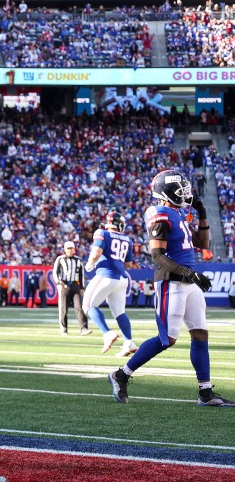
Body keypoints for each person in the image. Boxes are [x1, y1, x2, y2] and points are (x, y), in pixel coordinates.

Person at [110, 170, 233, 407]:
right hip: (171, 281)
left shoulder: (177, 212)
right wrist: (189, 272)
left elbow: (202, 243)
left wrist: (203, 214)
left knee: (200, 334)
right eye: (180, 190)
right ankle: (121, 375)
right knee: (167, 339)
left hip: (189, 281)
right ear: (165, 192)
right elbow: (157, 255)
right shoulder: (160, 213)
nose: (186, 194)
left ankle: (205, 393)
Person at [82, 211, 139, 357]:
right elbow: (128, 263)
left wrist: (89, 264)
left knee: (88, 306)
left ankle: (107, 333)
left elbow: (96, 252)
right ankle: (129, 342)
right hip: (122, 279)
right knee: (120, 313)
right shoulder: (127, 239)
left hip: (106, 275)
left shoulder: (102, 233)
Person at [53, 241, 89, 335]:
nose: (70, 250)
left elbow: (81, 274)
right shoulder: (60, 259)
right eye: (68, 249)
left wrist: (81, 287)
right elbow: (55, 272)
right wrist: (58, 284)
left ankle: (83, 328)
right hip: (64, 285)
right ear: (64, 250)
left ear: (74, 249)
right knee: (63, 308)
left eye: (71, 248)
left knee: (79, 307)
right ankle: (64, 329)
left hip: (75, 285)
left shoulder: (78, 260)